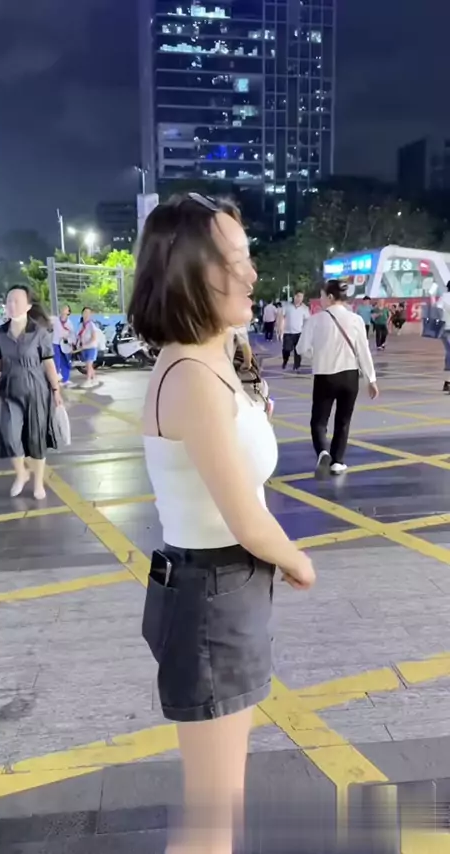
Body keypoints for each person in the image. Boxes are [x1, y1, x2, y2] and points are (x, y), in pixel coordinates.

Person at [129, 192, 316, 854]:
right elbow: (246, 518)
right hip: (212, 595)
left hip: (220, 590)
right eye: (235, 258)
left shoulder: (209, 356)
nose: (253, 272)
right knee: (211, 820)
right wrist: (297, 560)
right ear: (190, 271)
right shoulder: (191, 376)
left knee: (219, 806)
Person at [0, 285, 62, 500]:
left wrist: (56, 390)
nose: (11, 304)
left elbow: (49, 364)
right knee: (10, 435)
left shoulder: (39, 332)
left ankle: (38, 483)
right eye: (9, 300)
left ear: (28, 306)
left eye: (17, 300)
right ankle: (21, 473)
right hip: (9, 390)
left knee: (36, 439)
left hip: (36, 391)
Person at [297, 280, 378, 476]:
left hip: (325, 376)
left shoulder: (315, 320)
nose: (321, 299)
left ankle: (323, 452)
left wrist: (316, 355)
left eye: (322, 296)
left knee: (319, 421)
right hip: (350, 377)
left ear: (331, 297)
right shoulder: (356, 320)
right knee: (343, 420)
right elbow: (363, 351)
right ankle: (337, 462)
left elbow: (301, 348)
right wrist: (371, 379)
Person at [281, 291, 310, 371]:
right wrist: (280, 328)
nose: (299, 298)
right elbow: (281, 316)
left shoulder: (305, 308)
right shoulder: (287, 306)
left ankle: (297, 366)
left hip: (299, 333)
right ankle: (285, 360)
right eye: (298, 296)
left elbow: (307, 320)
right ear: (294, 296)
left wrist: (306, 331)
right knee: (286, 349)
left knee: (298, 350)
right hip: (288, 333)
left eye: (301, 297)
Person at [52, 304, 75, 387]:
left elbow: (73, 336)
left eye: (66, 308)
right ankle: (56, 380)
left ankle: (65, 379)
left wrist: (68, 340)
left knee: (65, 362)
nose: (63, 309)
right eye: (62, 308)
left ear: (69, 312)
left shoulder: (70, 323)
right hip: (55, 343)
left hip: (65, 345)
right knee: (56, 362)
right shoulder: (55, 320)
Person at [75, 307, 99, 388]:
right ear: (82, 314)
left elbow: (94, 337)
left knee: (88, 365)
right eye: (85, 312)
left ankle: (88, 380)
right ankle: (94, 379)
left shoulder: (91, 325)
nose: (86, 314)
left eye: (88, 313)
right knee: (89, 365)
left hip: (91, 347)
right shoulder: (81, 325)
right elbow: (79, 336)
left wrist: (86, 344)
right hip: (84, 348)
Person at [437, 282, 450, 392]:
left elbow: (438, 310)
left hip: (443, 329)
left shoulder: (443, 297)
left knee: (448, 353)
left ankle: (447, 381)